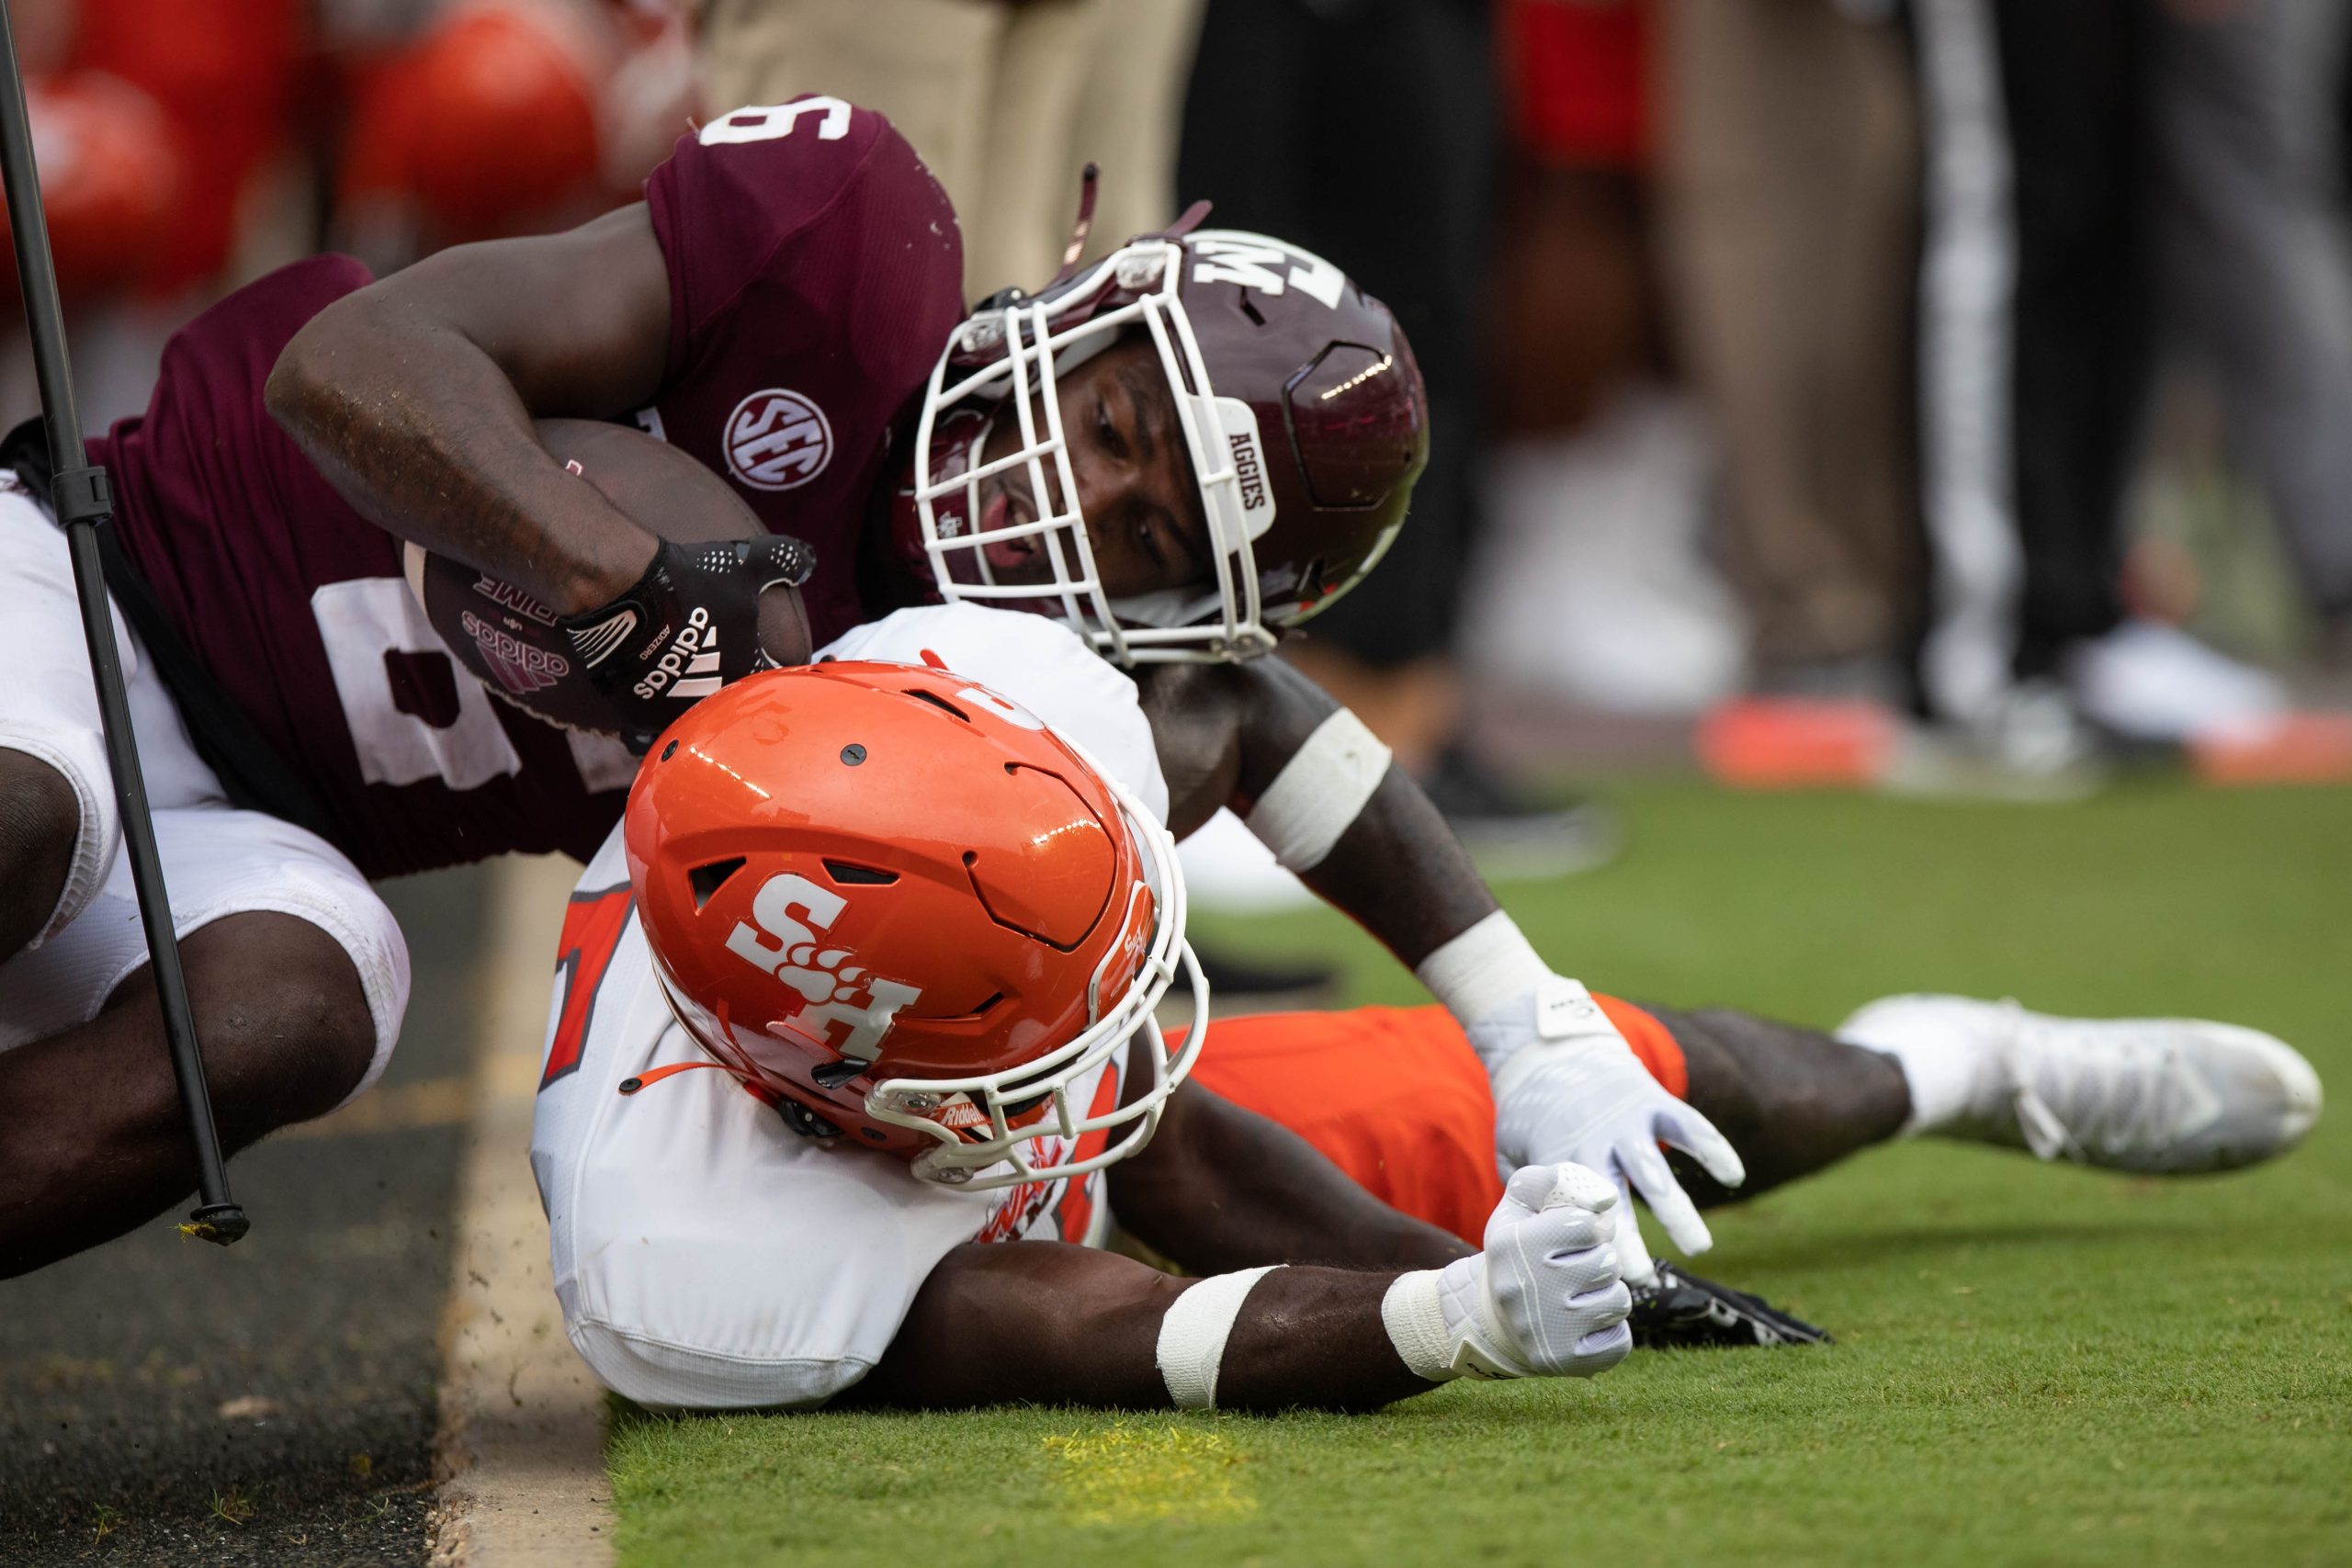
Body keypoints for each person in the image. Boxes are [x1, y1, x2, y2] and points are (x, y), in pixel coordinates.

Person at [0, 96, 1725, 1290]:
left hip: (272, 830)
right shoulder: (842, 246)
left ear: (1189, 605)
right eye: (1117, 427)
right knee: (40, 817)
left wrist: (1511, 1106)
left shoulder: (981, 703)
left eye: (1145, 535)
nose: (1075, 492)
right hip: (82, 581)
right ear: (1085, 311)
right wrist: (621, 587)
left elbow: (1252, 769)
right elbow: (344, 367)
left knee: (299, 1014)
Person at [534, 604, 2320, 1409]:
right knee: (1391, 1202)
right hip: (931, 1197)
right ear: (823, 1085)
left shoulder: (937, 712)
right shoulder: (698, 1267)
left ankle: (1956, 1057)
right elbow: (1110, 1324)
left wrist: (1516, 1012)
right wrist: (1450, 1312)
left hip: (966, 1086)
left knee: (1655, 1080)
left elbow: (1229, 702)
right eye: (1057, 1029)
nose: (1128, 1037)